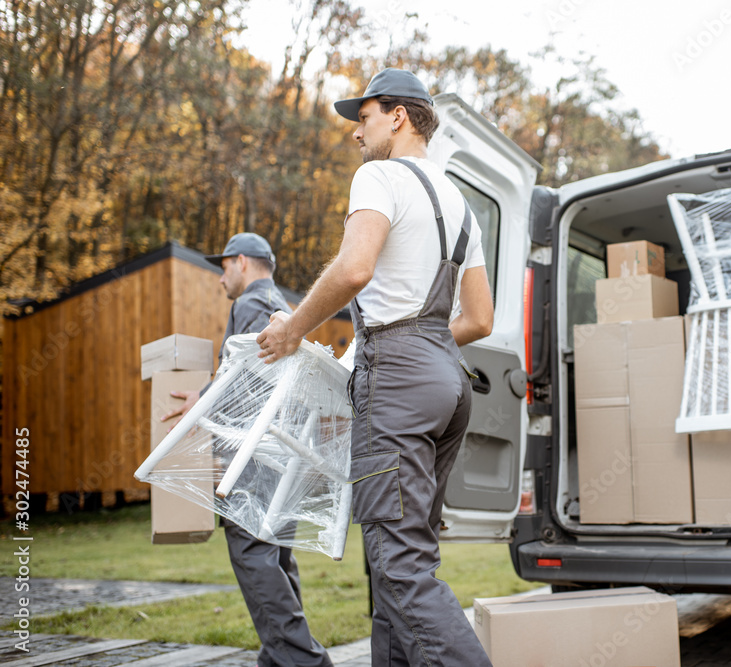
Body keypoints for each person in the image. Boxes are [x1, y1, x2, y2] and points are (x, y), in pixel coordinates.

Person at [256, 68, 495, 666]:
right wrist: (420, 348)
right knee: (403, 561)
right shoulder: (461, 203)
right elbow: (481, 319)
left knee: (398, 563)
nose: (355, 134)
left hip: (399, 379)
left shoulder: (380, 176)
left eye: (362, 118)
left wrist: (291, 328)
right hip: (446, 378)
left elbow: (354, 269)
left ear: (398, 116)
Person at [162, 232, 334, 667]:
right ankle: (278, 659)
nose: (221, 280)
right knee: (274, 558)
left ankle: (305, 661)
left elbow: (250, 380)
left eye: (222, 268)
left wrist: (206, 411)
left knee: (253, 554)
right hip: (279, 456)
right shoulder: (279, 305)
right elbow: (249, 369)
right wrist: (200, 396)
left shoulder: (253, 304)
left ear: (241, 261)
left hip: (254, 456)